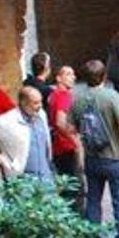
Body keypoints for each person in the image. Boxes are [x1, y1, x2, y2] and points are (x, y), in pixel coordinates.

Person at [69, 60, 119, 238]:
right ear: (104, 76)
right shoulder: (111, 96)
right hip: (115, 158)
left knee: (93, 203)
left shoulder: (78, 99)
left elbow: (68, 127)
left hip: (92, 158)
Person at [0, 86, 52, 183]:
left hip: (46, 177)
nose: (40, 105)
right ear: (24, 103)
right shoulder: (6, 121)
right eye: (35, 103)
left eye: (41, 101)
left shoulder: (41, 115)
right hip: (22, 180)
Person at [47, 65, 84, 212]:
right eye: (68, 74)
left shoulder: (54, 94)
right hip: (66, 146)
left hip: (57, 146)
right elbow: (60, 122)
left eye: (73, 74)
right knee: (75, 187)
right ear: (58, 78)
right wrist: (74, 140)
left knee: (64, 186)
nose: (73, 77)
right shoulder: (64, 96)